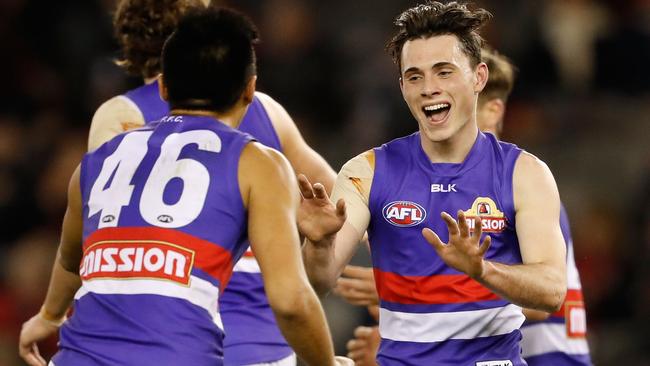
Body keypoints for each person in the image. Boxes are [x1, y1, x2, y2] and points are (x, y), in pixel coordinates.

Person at [18, 7, 351, 366]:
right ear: (249, 89)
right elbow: (291, 300)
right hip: (217, 349)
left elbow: (73, 259)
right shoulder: (262, 160)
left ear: (163, 86)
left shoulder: (98, 159)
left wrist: (48, 316)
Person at [298, 2, 568, 365]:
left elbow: (552, 291)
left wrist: (482, 270)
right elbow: (316, 283)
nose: (429, 88)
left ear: (479, 77)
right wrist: (317, 244)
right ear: (402, 87)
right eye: (415, 76)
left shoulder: (524, 173)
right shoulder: (367, 171)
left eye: (444, 72)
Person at [338, 48, 593, 366]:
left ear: (493, 110)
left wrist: (405, 296)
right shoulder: (454, 186)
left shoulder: (526, 188)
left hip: (552, 358)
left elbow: (542, 303)